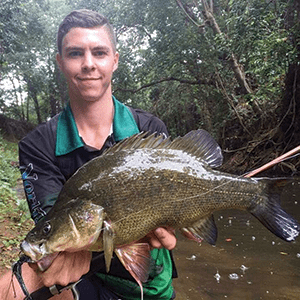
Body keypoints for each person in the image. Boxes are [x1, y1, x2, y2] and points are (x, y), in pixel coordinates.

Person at [0, 9, 177, 300]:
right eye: (74, 53)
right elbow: (55, 229)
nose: (88, 64)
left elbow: (172, 211)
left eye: (99, 52)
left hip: (148, 280)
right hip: (81, 274)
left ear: (115, 60)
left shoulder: (149, 130)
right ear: (60, 62)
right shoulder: (37, 145)